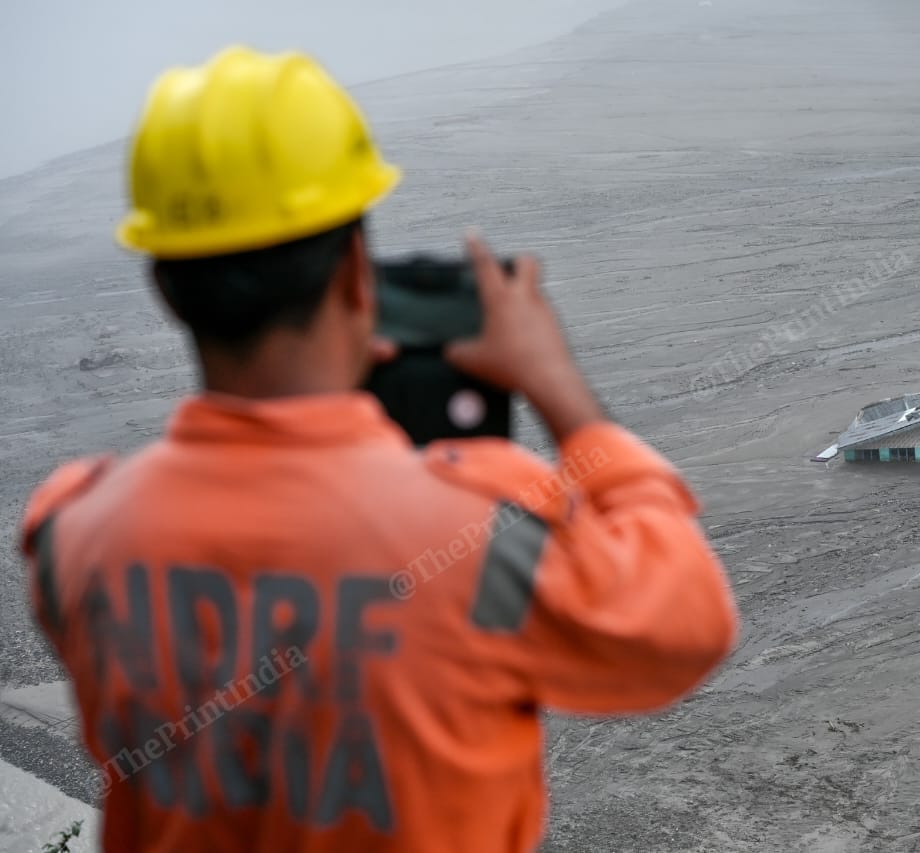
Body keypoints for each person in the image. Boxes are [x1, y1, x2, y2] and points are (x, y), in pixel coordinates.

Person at [20, 45, 737, 852]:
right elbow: (686, 625)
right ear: (358, 273)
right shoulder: (480, 528)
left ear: (164, 287)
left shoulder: (71, 532)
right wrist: (562, 393)